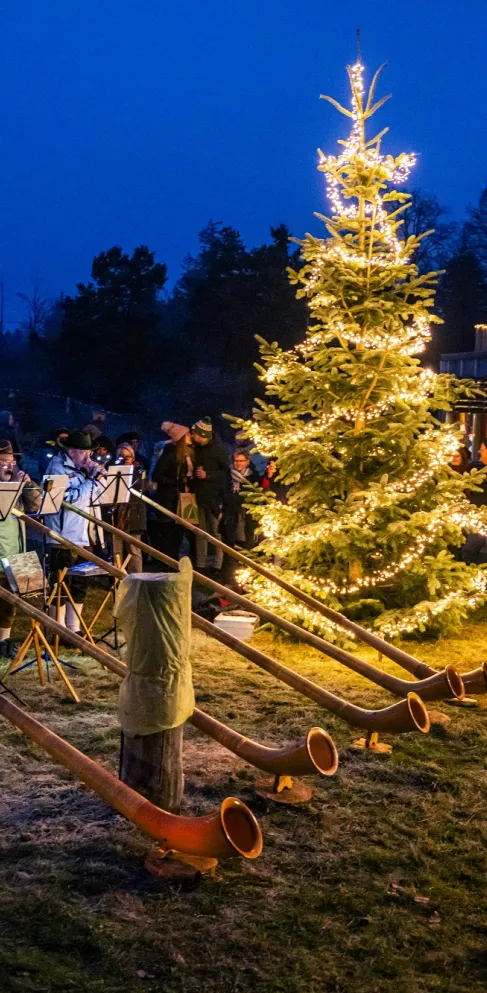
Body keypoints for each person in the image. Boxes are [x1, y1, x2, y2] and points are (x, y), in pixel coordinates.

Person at [44, 430, 107, 634]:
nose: (89, 457)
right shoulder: (57, 467)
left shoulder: (85, 468)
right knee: (61, 583)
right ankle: (58, 629)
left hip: (84, 533)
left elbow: (101, 494)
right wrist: (92, 481)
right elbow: (68, 500)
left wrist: (98, 476)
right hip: (62, 536)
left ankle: (74, 628)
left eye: (90, 452)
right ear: (71, 452)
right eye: (84, 453)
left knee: (80, 582)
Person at [0, 440, 41, 657]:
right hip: (1, 551)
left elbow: (36, 506)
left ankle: (4, 641)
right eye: (3, 462)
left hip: (21, 551)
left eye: (11, 461)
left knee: (18, 601)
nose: (9, 465)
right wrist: (13, 485)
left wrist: (29, 484)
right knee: (2, 599)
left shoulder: (17, 481)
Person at [151, 422, 194, 563]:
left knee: (178, 533)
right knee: (169, 533)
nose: (190, 436)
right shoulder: (170, 454)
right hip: (168, 499)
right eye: (187, 434)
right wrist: (176, 482)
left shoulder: (186, 454)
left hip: (180, 499)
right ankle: (168, 563)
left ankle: (174, 562)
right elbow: (156, 475)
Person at [191, 417, 229, 575]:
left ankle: (217, 565)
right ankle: (200, 564)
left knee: (215, 532)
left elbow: (226, 473)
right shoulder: (197, 449)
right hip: (199, 496)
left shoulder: (219, 449)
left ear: (202, 434)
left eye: (194, 434)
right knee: (200, 532)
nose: (192, 436)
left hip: (214, 498)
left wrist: (208, 475)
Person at [221, 450, 261, 585]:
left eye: (241, 461)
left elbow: (256, 495)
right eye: (236, 461)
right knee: (230, 551)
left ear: (247, 462)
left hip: (246, 518)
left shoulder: (253, 477)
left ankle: (245, 582)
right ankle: (229, 581)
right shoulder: (227, 476)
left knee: (246, 549)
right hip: (231, 518)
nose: (238, 464)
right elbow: (223, 493)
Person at [112, 442, 146, 573]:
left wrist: (131, 471)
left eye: (128, 456)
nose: (125, 459)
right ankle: (117, 579)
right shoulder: (113, 471)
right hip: (116, 516)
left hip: (134, 516)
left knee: (134, 550)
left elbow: (142, 489)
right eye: (122, 456)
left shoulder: (138, 471)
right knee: (116, 550)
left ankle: (137, 579)